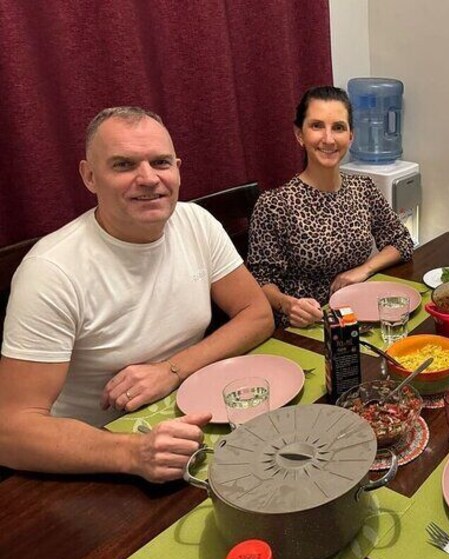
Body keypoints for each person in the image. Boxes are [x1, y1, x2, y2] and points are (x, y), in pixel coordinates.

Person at [0, 107, 275, 483]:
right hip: (96, 456)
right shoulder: (51, 271)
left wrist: (171, 370)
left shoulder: (196, 222)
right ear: (90, 176)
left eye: (161, 162)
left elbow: (257, 313)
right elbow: (10, 432)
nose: (148, 179)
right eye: (124, 165)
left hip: (188, 417)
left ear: (177, 168)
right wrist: (133, 452)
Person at [247, 86, 414, 328]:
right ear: (299, 135)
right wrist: (287, 304)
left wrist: (364, 269)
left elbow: (401, 242)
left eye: (338, 128)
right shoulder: (275, 204)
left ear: (351, 136)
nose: (328, 139)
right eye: (316, 126)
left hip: (358, 317)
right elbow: (260, 281)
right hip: (308, 326)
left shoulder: (363, 189)